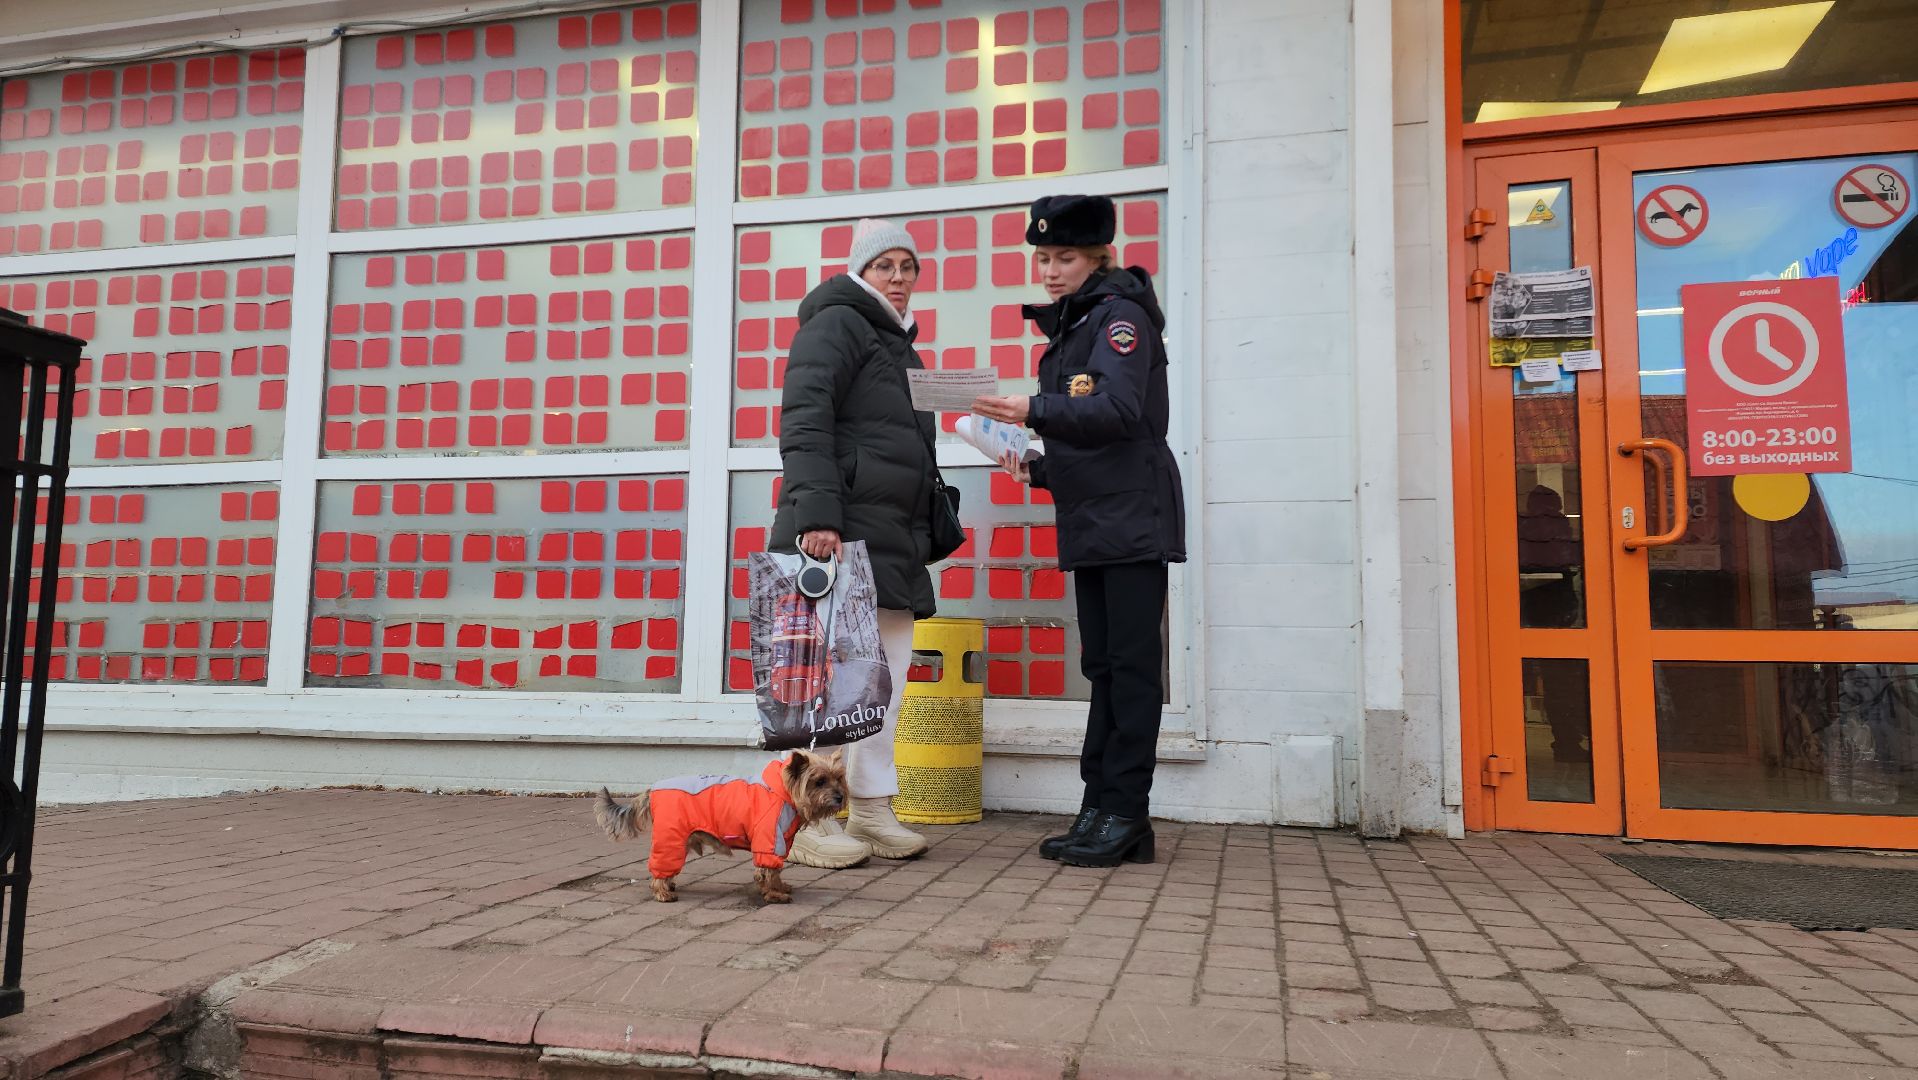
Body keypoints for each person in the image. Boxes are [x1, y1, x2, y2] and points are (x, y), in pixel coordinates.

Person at [974, 194, 1186, 867]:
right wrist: (1036, 467)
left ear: (1098, 256)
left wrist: (1032, 408)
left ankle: (1125, 812)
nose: (1049, 270)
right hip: (1095, 517)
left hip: (1131, 516)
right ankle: (1101, 808)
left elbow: (1119, 411)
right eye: (1042, 257)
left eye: (1063, 257)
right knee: (1105, 667)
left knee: (1131, 669)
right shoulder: (1077, 324)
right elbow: (1088, 437)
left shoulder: (1120, 318)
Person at [768, 218, 936, 868]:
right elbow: (805, 418)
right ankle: (801, 821)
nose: (898, 277)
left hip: (890, 539)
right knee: (826, 682)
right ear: (860, 271)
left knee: (882, 684)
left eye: (907, 266)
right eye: (884, 265)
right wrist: (817, 515)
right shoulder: (835, 324)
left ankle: (869, 807)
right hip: (836, 535)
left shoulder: (901, 349)